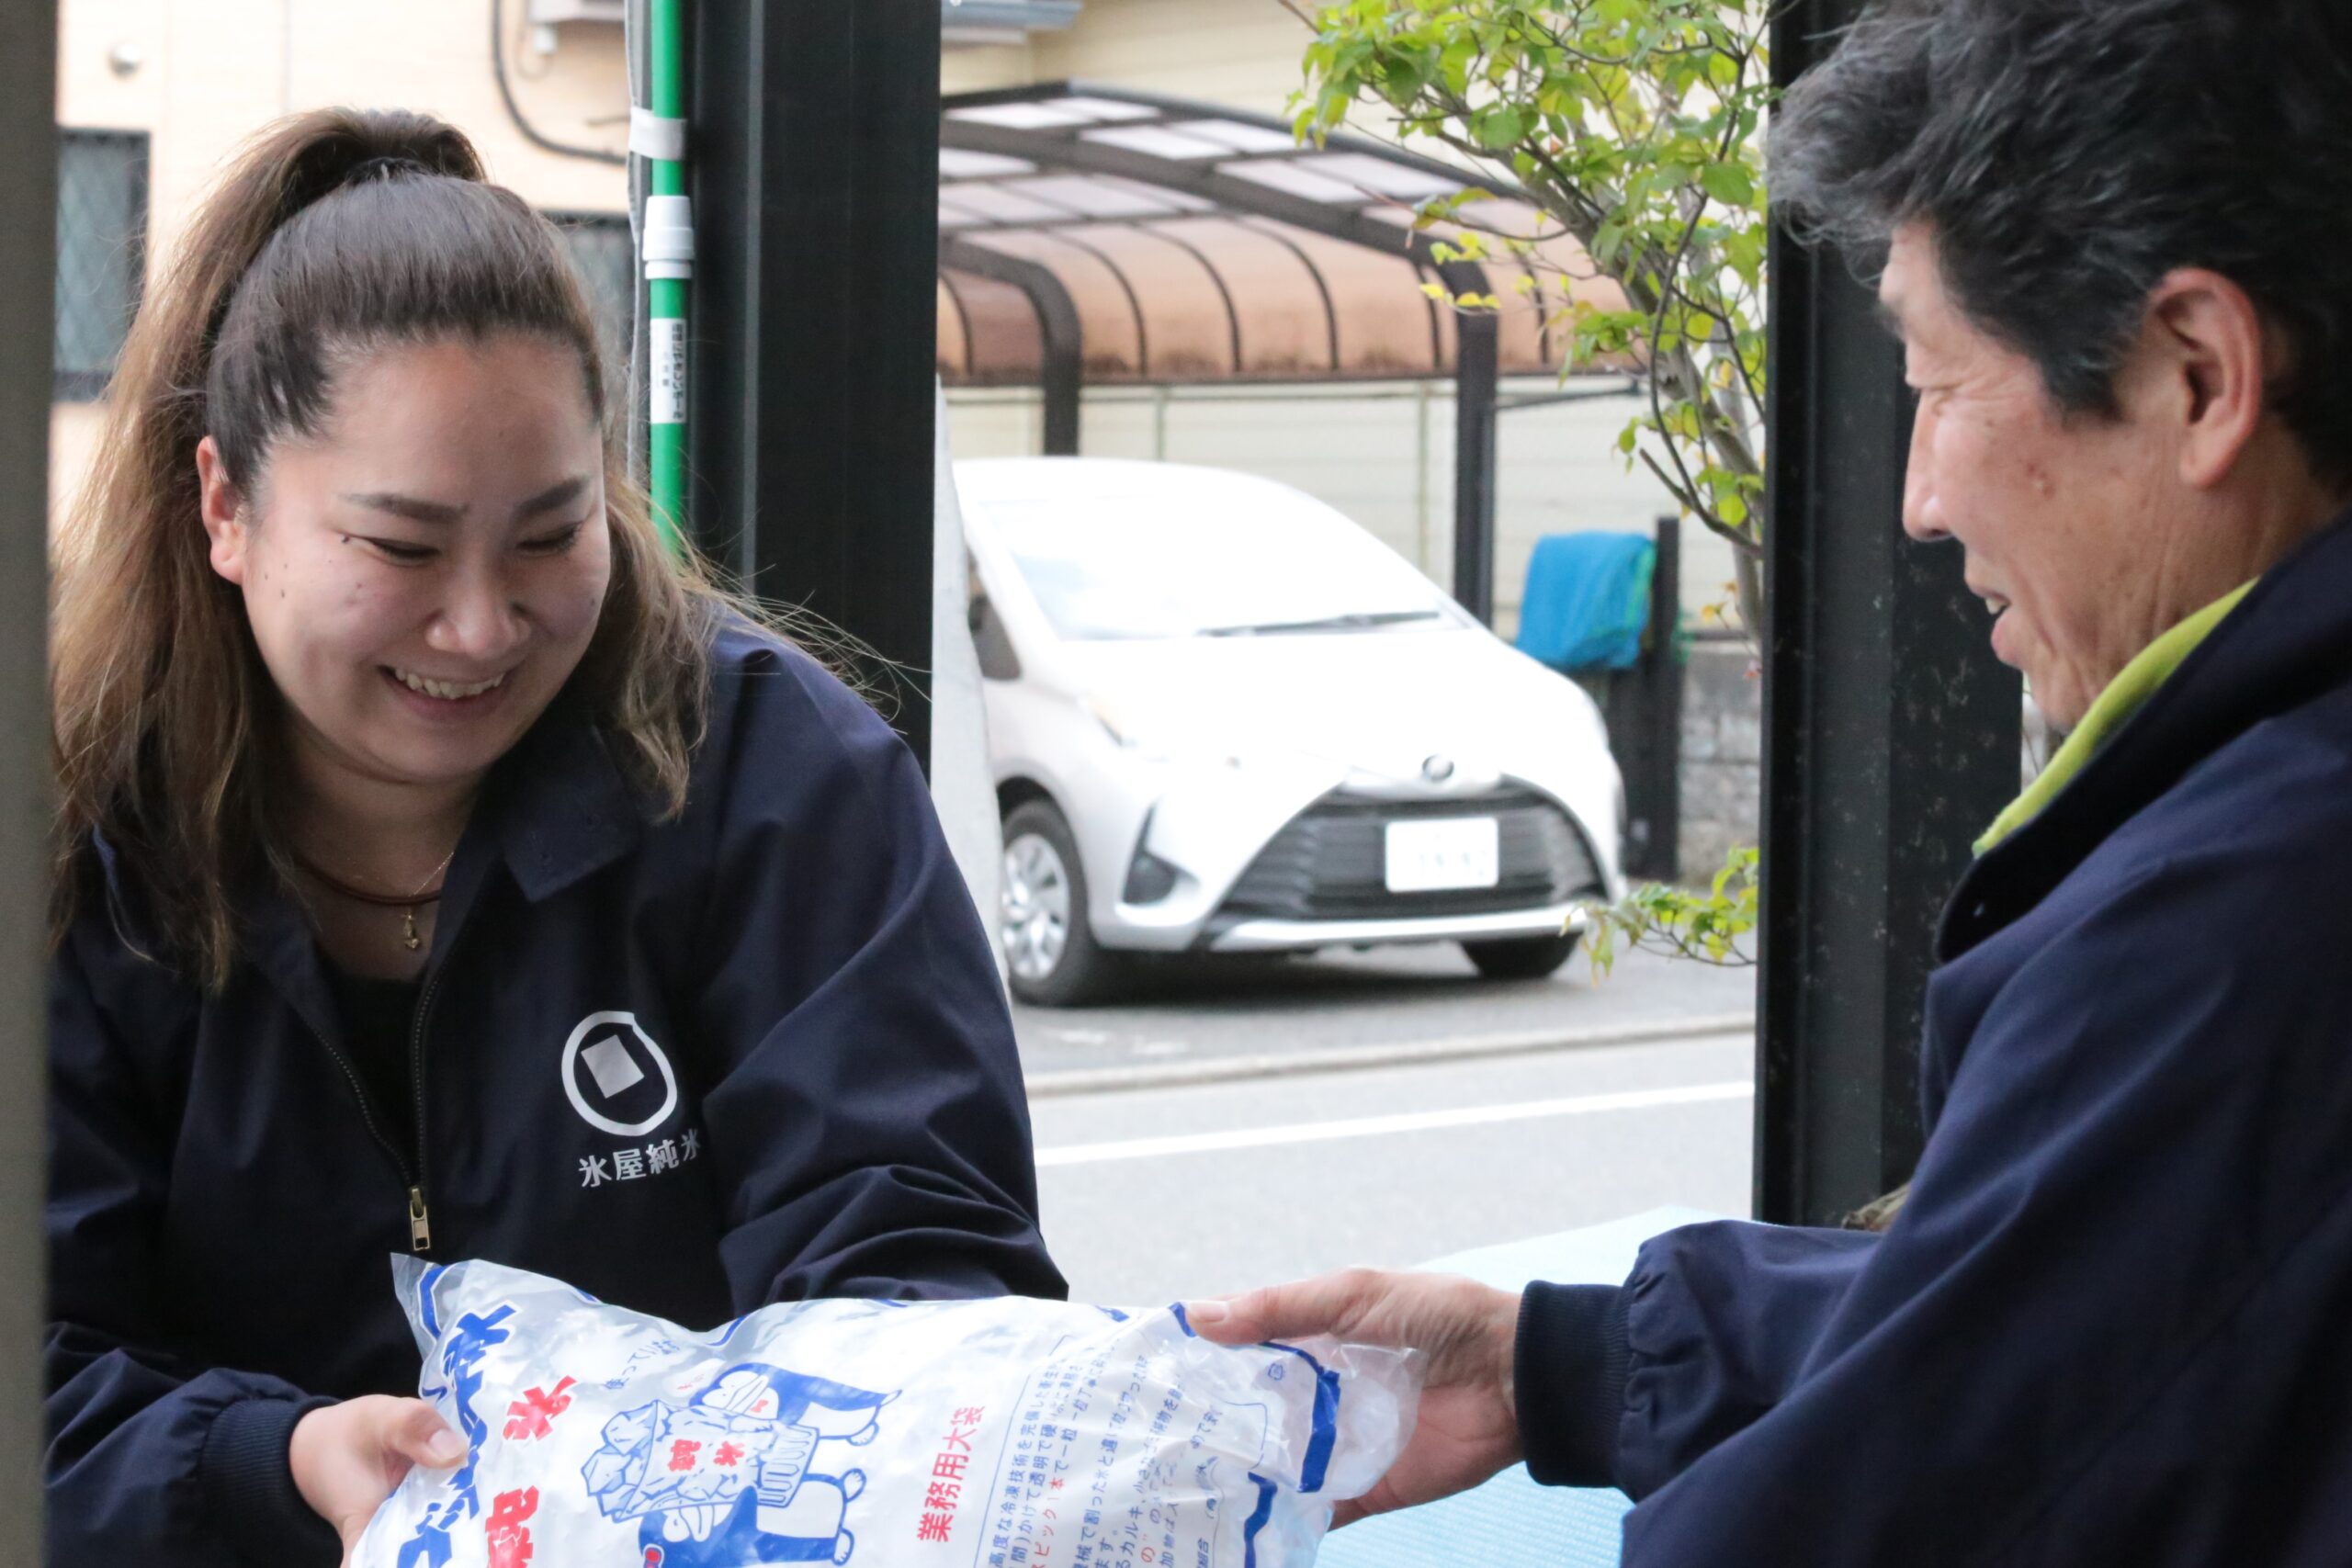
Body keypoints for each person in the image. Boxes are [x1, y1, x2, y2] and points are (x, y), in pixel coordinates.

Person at [1192, 1, 2352, 1562]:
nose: (1922, 503)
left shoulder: (2236, 926)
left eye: (1940, 386)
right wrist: (1560, 1364)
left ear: (2197, 374)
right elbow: (2096, 1320)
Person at [44, 108, 1063, 1564]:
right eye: (400, 548)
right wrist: (272, 1463)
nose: (479, 627)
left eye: (548, 534)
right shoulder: (79, 837)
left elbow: (921, 1266)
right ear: (226, 505)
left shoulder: (773, 776)